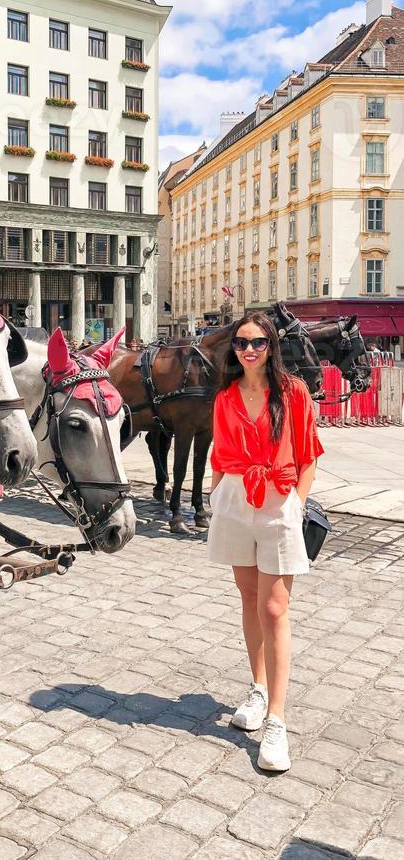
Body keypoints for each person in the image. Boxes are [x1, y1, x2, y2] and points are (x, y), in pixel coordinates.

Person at [207, 312, 323, 772]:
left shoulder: (293, 392)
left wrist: (295, 503)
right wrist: (217, 496)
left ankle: (276, 718)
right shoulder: (226, 396)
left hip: (278, 499)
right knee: (249, 596)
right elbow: (218, 454)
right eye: (240, 343)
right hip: (236, 497)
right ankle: (257, 689)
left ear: (272, 346)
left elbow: (309, 453)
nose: (248, 350)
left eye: (257, 342)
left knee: (275, 607)